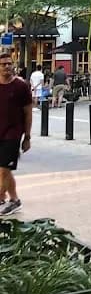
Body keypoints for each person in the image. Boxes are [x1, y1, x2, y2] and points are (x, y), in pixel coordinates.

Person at [0, 52, 33, 216]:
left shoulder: (21, 86)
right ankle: (8, 198)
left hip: (13, 134)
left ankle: (7, 199)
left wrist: (27, 137)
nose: (7, 66)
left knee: (4, 170)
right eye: (3, 64)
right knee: (3, 170)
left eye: (9, 63)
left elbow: (28, 113)